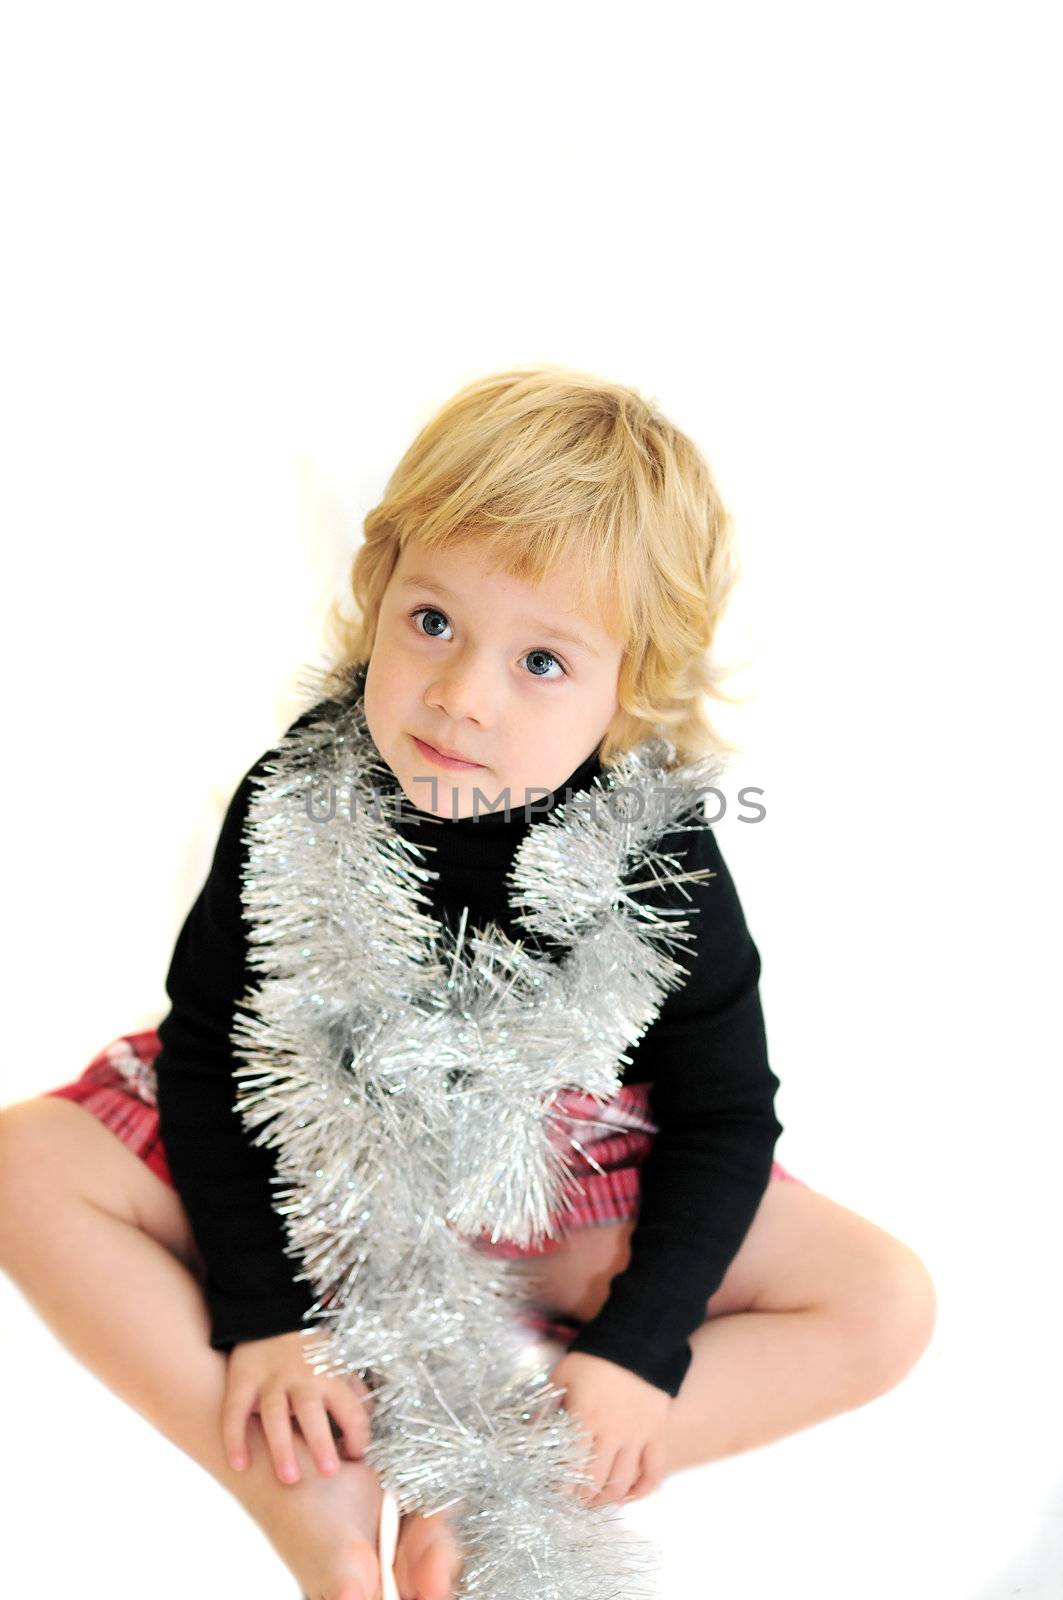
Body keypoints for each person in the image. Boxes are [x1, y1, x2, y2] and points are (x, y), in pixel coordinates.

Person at [0, 367, 937, 1600]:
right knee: (26, 1163)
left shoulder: (652, 859)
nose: (461, 696)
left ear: (630, 688)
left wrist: (639, 1350)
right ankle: (312, 1494)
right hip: (316, 1164)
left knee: (882, 1303)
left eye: (542, 661)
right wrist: (262, 1313)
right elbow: (214, 1062)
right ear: (377, 589)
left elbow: (722, 1114)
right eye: (432, 622)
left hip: (545, 1183)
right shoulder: (300, 795)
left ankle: (520, 1471)